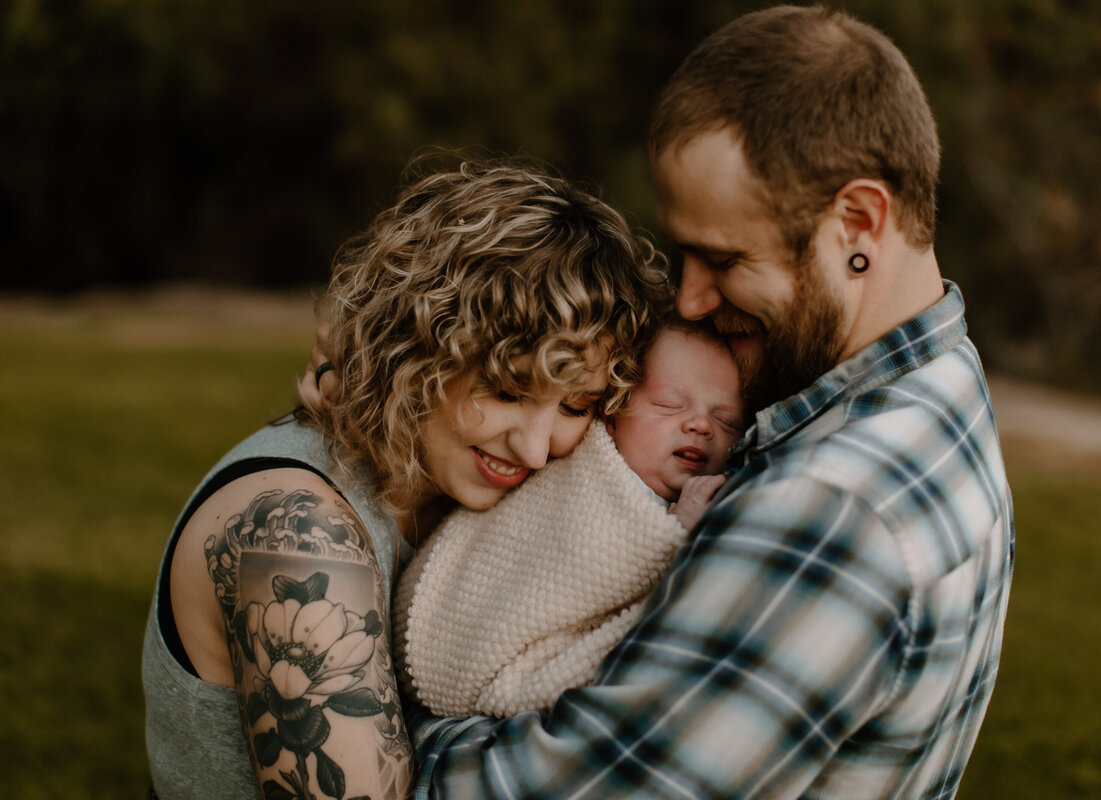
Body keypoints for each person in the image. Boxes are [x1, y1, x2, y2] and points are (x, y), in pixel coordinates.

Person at [402, 6, 1016, 798]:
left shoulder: (830, 513)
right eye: (682, 251)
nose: (689, 300)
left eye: (722, 258)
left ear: (859, 222)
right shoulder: (944, 383)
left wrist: (366, 701)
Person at [140, 159, 670, 800]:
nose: (534, 448)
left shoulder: (452, 484)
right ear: (418, 347)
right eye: (506, 389)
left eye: (575, 406)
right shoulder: (295, 532)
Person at [393, 322, 745, 718]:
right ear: (610, 415)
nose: (701, 425)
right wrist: (675, 533)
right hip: (450, 632)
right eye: (668, 404)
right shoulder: (584, 471)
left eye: (727, 422)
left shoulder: (720, 497)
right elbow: (562, 562)